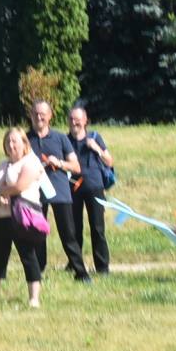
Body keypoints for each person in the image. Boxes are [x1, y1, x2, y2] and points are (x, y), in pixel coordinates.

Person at [0, 127, 50, 307]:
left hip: (22, 216)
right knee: (0, 256)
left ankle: (34, 298)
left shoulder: (31, 162)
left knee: (27, 254)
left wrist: (0, 191)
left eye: (14, 141)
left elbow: (20, 186)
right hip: (1, 216)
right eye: (7, 142)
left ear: (24, 143)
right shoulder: (3, 165)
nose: (11, 145)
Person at [26, 99, 88, 281]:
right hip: (34, 194)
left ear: (50, 116)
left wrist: (58, 162)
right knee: (37, 234)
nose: (39, 117)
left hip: (60, 192)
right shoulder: (25, 139)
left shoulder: (60, 138)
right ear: (31, 116)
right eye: (36, 114)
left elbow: (76, 167)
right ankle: (38, 272)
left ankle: (81, 272)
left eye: (42, 114)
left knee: (68, 234)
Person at [66, 102, 115, 276]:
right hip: (73, 189)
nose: (74, 122)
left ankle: (102, 267)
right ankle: (74, 264)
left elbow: (110, 161)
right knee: (74, 229)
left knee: (97, 228)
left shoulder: (95, 137)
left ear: (85, 120)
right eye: (71, 119)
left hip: (94, 187)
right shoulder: (65, 140)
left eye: (78, 119)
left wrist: (97, 148)